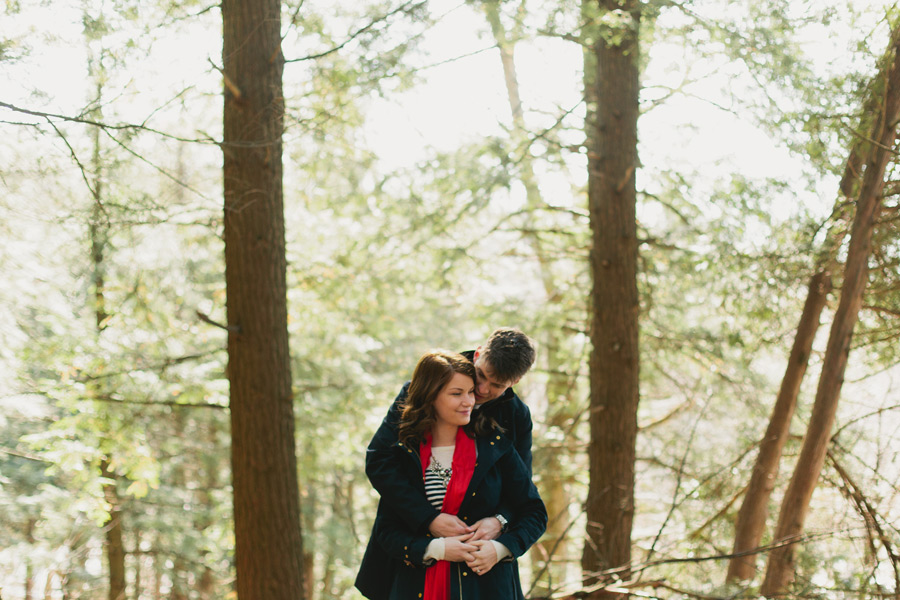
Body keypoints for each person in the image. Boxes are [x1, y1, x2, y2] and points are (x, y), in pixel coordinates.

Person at [355, 351, 546, 600]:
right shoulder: (406, 454)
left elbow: (532, 509)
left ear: (513, 383)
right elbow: (387, 527)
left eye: (470, 392)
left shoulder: (498, 444)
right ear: (430, 396)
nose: (474, 398)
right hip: (416, 585)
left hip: (487, 586)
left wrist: (500, 544)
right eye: (458, 393)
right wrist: (436, 542)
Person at [365, 327, 537, 543]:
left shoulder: (516, 416)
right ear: (478, 354)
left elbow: (522, 487)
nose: (482, 390)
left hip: (478, 552)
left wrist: (500, 520)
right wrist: (426, 517)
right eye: (481, 375)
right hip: (408, 540)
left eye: (497, 385)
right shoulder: (423, 389)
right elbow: (380, 460)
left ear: (515, 382)